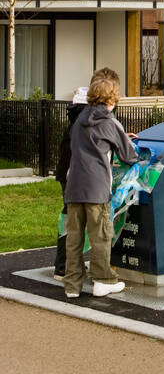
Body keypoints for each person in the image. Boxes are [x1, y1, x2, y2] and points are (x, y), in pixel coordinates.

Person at [63, 69, 139, 300]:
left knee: (74, 238)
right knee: (101, 236)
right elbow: (129, 156)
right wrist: (125, 140)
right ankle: (103, 280)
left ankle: (72, 285)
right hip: (96, 187)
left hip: (74, 185)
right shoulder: (109, 122)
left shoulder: (79, 121)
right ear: (111, 99)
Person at [52, 84, 89, 281]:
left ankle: (63, 265)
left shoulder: (74, 123)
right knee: (72, 221)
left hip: (66, 176)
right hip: (73, 178)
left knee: (69, 220)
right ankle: (63, 266)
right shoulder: (81, 124)